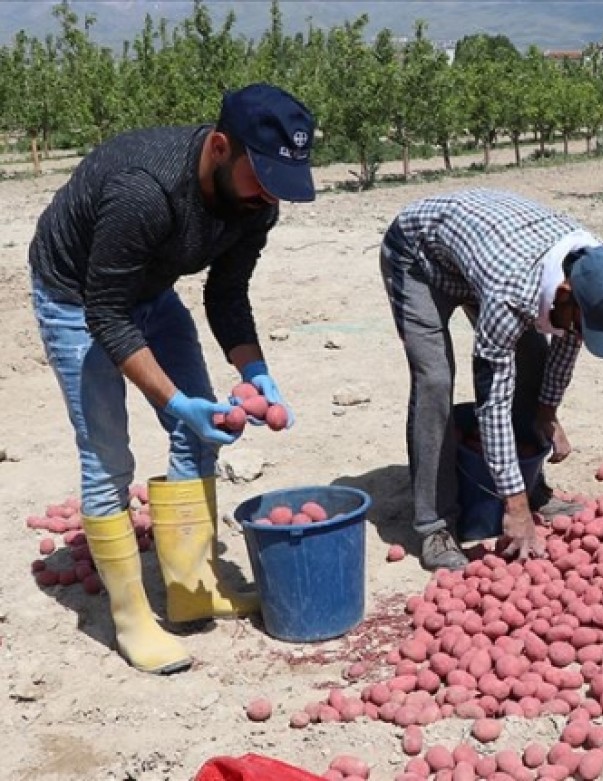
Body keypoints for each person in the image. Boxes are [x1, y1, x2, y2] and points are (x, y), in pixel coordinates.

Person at [28, 83, 317, 674]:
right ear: (218, 148)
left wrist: (256, 373)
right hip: (76, 296)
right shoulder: (145, 189)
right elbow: (104, 313)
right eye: (259, 178)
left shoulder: (256, 201)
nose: (267, 197)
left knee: (199, 430)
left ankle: (189, 588)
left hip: (149, 291)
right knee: (108, 455)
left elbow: (227, 294)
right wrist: (173, 399)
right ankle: (131, 618)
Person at [380, 188, 603, 571]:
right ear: (565, 293)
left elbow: (567, 342)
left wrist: (547, 413)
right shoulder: (510, 293)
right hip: (418, 257)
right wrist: (512, 506)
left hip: (481, 256)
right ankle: (434, 524)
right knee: (434, 380)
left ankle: (532, 486)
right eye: (581, 325)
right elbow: (493, 401)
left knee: (533, 356)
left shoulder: (594, 269)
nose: (582, 337)